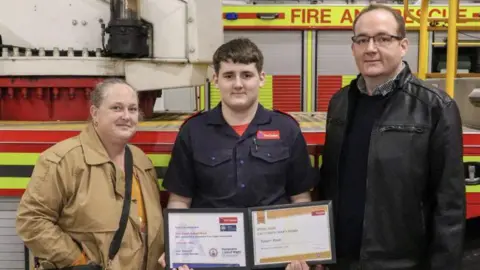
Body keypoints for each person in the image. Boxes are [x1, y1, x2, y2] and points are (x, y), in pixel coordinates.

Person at [318, 4, 465, 270]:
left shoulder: (434, 107)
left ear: (403, 45)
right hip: (341, 260)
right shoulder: (340, 102)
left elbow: (449, 205)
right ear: (353, 48)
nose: (370, 48)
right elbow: (331, 182)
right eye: (362, 40)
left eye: (383, 38)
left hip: (401, 263)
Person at [159, 38, 319, 270]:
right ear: (215, 79)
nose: (238, 84)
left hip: (274, 261)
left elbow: (300, 197)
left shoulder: (286, 129)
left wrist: (301, 251)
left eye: (246, 75)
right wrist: (177, 249)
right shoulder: (193, 131)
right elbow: (180, 199)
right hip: (210, 261)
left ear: (261, 78)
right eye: (228, 75)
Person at [16, 79, 167, 270]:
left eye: (133, 109)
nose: (126, 116)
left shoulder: (142, 162)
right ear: (95, 113)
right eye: (116, 108)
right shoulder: (63, 160)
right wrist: (77, 261)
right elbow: (31, 220)